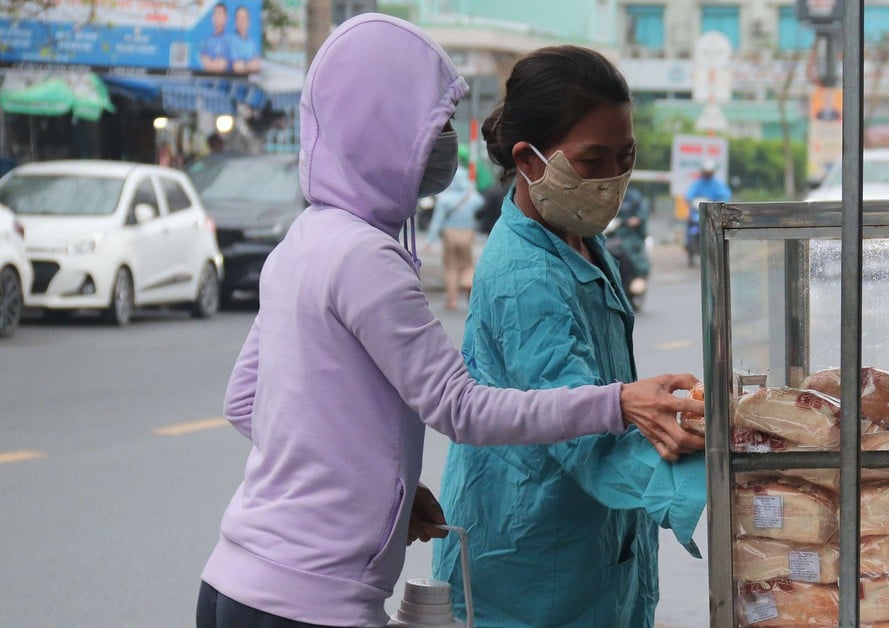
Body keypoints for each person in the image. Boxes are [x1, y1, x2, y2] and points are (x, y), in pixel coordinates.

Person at [195, 15, 704, 628]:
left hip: (233, 582)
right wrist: (619, 402)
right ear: (380, 129)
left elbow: (245, 400)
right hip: (313, 603)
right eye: (430, 128)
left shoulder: (305, 238)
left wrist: (384, 495)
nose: (444, 146)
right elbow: (460, 409)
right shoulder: (369, 257)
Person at [432, 46, 707, 628]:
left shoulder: (579, 238)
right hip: (530, 568)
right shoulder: (524, 275)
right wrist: (720, 451)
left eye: (625, 156)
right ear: (528, 160)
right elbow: (584, 434)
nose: (613, 178)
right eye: (592, 160)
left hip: (592, 554)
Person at [426, 167, 483, 311]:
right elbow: (481, 210)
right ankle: (468, 281)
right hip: (467, 233)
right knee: (467, 264)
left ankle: (451, 300)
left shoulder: (445, 199)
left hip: (449, 233)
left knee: (450, 267)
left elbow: (437, 221)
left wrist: (430, 240)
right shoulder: (473, 198)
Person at [199, 2, 231, 73]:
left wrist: (209, 61)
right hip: (205, 82)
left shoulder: (229, 40)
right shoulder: (206, 41)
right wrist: (213, 62)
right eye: (215, 13)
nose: (217, 16)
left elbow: (219, 67)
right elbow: (202, 63)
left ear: (226, 17)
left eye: (220, 13)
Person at [229, 5, 261, 74]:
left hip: (249, 82)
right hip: (234, 83)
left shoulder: (252, 42)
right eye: (239, 18)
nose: (242, 20)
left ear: (249, 20)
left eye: (244, 17)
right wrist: (250, 64)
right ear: (235, 21)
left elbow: (257, 65)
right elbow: (237, 68)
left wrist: (244, 65)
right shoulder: (231, 41)